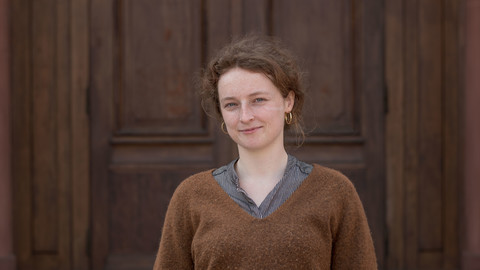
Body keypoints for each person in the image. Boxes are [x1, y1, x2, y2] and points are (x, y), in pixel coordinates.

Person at [153, 34, 377, 269]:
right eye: (231, 104)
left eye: (258, 100)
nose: (245, 116)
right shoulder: (191, 196)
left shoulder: (334, 192)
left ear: (288, 101)